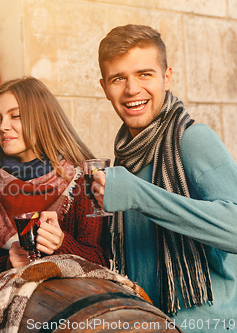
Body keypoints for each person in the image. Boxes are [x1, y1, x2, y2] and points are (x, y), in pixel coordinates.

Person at [93, 24, 237, 330]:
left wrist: (137, 194)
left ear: (166, 77)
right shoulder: (126, 155)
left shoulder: (191, 139)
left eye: (145, 74)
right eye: (119, 78)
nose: (132, 89)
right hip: (150, 323)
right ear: (105, 87)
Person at [0, 77, 108, 275]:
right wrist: (7, 265)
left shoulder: (81, 181)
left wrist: (61, 243)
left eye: (15, 116)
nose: (3, 127)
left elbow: (102, 263)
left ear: (41, 118)